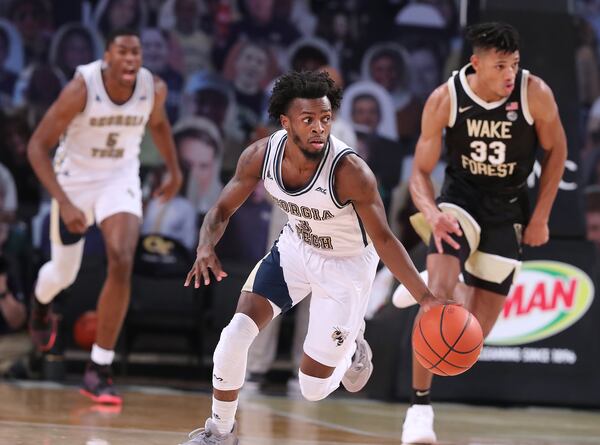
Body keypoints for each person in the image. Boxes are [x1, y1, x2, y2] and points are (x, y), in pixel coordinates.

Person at [178, 70, 445, 444]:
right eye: (308, 120)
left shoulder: (350, 172)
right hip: (296, 249)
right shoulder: (260, 155)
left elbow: (384, 240)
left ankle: (352, 348)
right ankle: (219, 432)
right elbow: (220, 211)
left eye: (325, 118)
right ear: (286, 122)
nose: (319, 128)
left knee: (312, 389)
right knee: (234, 336)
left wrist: (427, 300)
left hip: (346, 266)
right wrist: (205, 246)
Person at [403, 22, 567, 443]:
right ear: (476, 63)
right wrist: (431, 212)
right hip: (460, 201)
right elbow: (419, 172)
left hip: (508, 208)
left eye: (514, 63)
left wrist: (541, 216)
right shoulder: (446, 98)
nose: (510, 73)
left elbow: (558, 151)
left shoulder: (534, 93)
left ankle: (431, 281)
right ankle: (419, 408)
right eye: (500, 65)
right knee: (437, 307)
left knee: (469, 336)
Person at [27, 28, 182, 405]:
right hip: (74, 181)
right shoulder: (82, 87)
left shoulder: (152, 88)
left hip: (119, 177)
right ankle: (41, 304)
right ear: (107, 56)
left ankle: (99, 367)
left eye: (137, 52)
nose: (131, 59)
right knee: (62, 274)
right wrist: (63, 202)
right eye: (123, 52)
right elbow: (37, 147)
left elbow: (158, 124)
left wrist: (175, 170)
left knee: (122, 259)